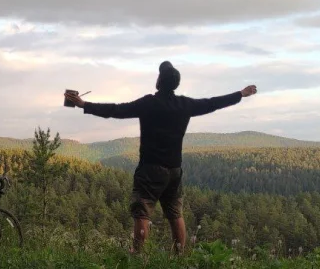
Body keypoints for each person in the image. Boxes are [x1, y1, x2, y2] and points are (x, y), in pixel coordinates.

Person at [64, 61, 257, 255]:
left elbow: (116, 110)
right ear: (176, 84)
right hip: (174, 170)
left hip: (150, 169)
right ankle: (179, 256)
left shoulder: (149, 103)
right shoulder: (184, 105)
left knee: (142, 211)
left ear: (159, 81)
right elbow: (212, 103)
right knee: (175, 214)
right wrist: (240, 94)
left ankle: (138, 255)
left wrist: (83, 104)